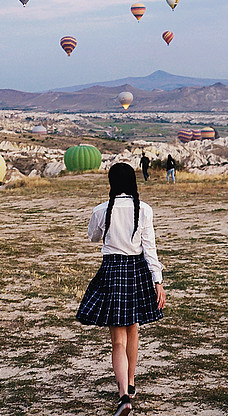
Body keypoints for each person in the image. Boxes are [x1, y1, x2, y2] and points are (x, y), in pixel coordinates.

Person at [77, 163, 165, 416]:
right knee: (133, 328)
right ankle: (131, 383)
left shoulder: (101, 210)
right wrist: (157, 281)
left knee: (118, 339)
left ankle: (124, 396)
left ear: (111, 183)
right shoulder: (144, 210)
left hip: (113, 271)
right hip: (137, 271)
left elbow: (93, 237)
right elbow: (150, 249)